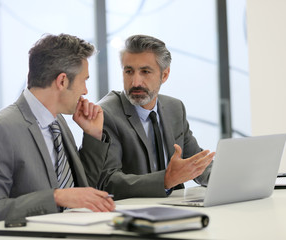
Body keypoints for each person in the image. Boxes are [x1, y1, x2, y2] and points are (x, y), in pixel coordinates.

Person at [0, 33, 115, 225]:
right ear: (62, 81)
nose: (85, 91)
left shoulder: (58, 122)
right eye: (84, 80)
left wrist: (93, 135)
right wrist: (55, 197)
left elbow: (80, 192)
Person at [89, 34, 215, 200]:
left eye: (145, 72)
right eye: (129, 71)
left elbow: (196, 164)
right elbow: (108, 181)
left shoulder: (175, 108)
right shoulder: (105, 114)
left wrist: (228, 181)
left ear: (165, 75)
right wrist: (165, 180)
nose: (135, 82)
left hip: (174, 208)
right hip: (132, 214)